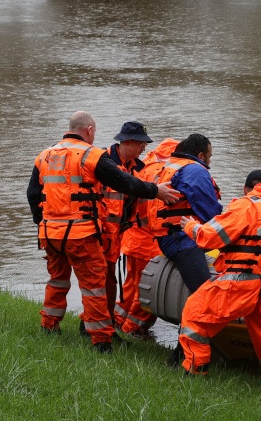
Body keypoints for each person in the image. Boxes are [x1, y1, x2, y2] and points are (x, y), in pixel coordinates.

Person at [27, 111, 179, 353]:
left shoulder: (44, 156)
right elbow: (123, 182)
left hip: (50, 234)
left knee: (57, 280)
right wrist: (155, 191)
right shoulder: (91, 155)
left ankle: (49, 326)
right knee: (95, 286)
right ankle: (101, 341)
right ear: (89, 130)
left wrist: (43, 224)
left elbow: (33, 195)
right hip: (81, 234)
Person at [174, 170, 261, 388]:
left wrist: (189, 226)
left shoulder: (245, 206)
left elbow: (210, 237)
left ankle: (196, 373)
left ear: (246, 189)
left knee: (194, 314)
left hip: (241, 283)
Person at [114, 137, 180, 337]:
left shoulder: (142, 167)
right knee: (148, 291)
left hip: (132, 239)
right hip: (149, 242)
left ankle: (117, 320)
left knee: (131, 285)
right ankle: (132, 329)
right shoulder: (168, 175)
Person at [145, 133, 222, 293]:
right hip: (183, 240)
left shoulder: (171, 165)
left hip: (167, 237)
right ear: (201, 155)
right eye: (209, 156)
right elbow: (210, 211)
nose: (210, 161)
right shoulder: (194, 170)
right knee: (204, 295)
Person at [96, 121, 152, 322]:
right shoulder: (102, 163)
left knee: (109, 283)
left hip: (117, 237)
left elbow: (140, 210)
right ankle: (96, 326)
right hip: (98, 235)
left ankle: (106, 324)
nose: (145, 147)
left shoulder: (137, 168)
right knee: (100, 282)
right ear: (127, 142)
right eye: (141, 143)